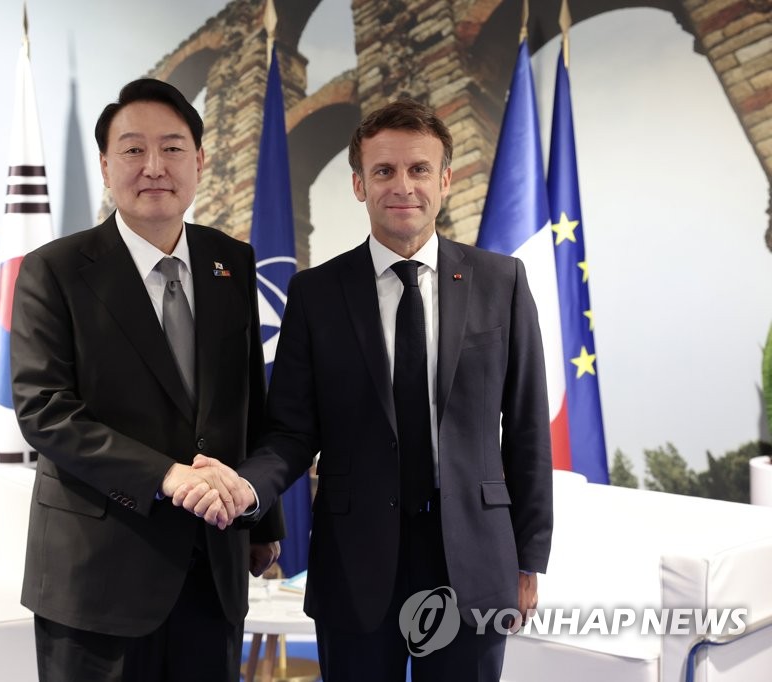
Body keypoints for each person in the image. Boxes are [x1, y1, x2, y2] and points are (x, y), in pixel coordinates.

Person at [184, 99, 553, 681]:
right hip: (355, 561)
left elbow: (528, 429)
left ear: (446, 180)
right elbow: (291, 432)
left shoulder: (501, 281)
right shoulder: (316, 293)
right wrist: (246, 488)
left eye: (419, 169)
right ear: (359, 184)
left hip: (473, 557)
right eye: (383, 171)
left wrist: (528, 559)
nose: (402, 186)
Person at [9, 78, 284, 682]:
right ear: (106, 166)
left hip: (213, 567)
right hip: (97, 579)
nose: (154, 166)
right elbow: (46, 411)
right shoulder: (54, 271)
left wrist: (259, 525)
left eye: (173, 148)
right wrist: (165, 476)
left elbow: (248, 402)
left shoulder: (230, 262)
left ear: (200, 162)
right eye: (133, 150)